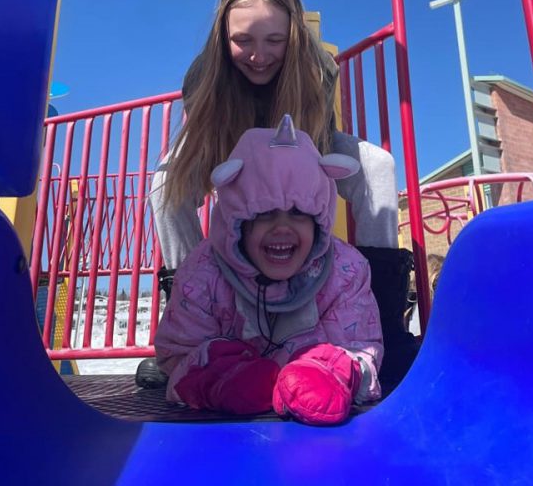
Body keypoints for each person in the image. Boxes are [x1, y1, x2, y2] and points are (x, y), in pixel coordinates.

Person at [151, 0, 399, 274]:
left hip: (305, 145)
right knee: (164, 183)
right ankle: (191, 289)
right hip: (227, 148)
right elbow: (207, 146)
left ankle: (379, 299)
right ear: (223, 37)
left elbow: (314, 157)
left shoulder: (317, 70)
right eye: (243, 40)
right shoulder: (203, 78)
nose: (258, 55)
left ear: (293, 35)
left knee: (378, 166)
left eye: (274, 40)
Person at [154, 116, 383, 425]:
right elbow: (177, 351)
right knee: (210, 366)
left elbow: (361, 349)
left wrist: (334, 370)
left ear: (319, 221)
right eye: (264, 214)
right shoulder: (204, 272)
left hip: (312, 374)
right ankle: (230, 377)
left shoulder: (344, 271)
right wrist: (215, 377)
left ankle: (318, 374)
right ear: (237, 223)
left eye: (299, 213)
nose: (282, 227)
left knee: (332, 366)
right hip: (233, 377)